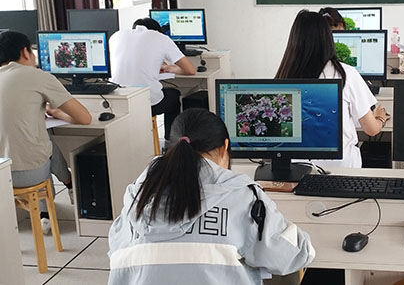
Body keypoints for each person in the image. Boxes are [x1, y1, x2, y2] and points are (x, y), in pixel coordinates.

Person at [108, 108, 315, 284]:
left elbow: (117, 253)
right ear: (224, 147)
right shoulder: (242, 196)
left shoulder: (138, 196)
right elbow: (292, 256)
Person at [0, 30, 92, 233]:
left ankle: (46, 213)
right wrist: (55, 112)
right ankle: (65, 188)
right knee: (41, 142)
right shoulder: (36, 76)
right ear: (25, 52)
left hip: (1, 173)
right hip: (26, 176)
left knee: (36, 136)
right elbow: (84, 118)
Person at [276, 10, 389, 168]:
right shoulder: (345, 74)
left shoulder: (283, 77)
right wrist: (380, 118)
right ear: (328, 39)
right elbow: (371, 130)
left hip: (297, 169)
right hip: (341, 170)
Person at [109, 17, 195, 139]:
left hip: (117, 102)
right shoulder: (161, 38)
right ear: (157, 30)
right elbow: (190, 70)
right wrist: (168, 67)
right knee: (174, 95)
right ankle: (171, 140)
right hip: (147, 104)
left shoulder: (116, 36)